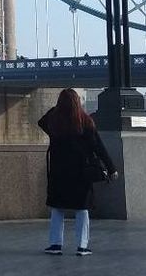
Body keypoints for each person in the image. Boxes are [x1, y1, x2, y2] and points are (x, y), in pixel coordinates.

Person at [38, 88, 117, 256]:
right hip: (81, 172)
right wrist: (111, 168)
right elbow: (99, 148)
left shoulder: (54, 123)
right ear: (78, 103)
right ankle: (82, 246)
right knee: (82, 210)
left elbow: (41, 121)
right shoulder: (85, 122)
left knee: (57, 209)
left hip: (59, 173)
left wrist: (57, 109)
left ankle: (55, 244)